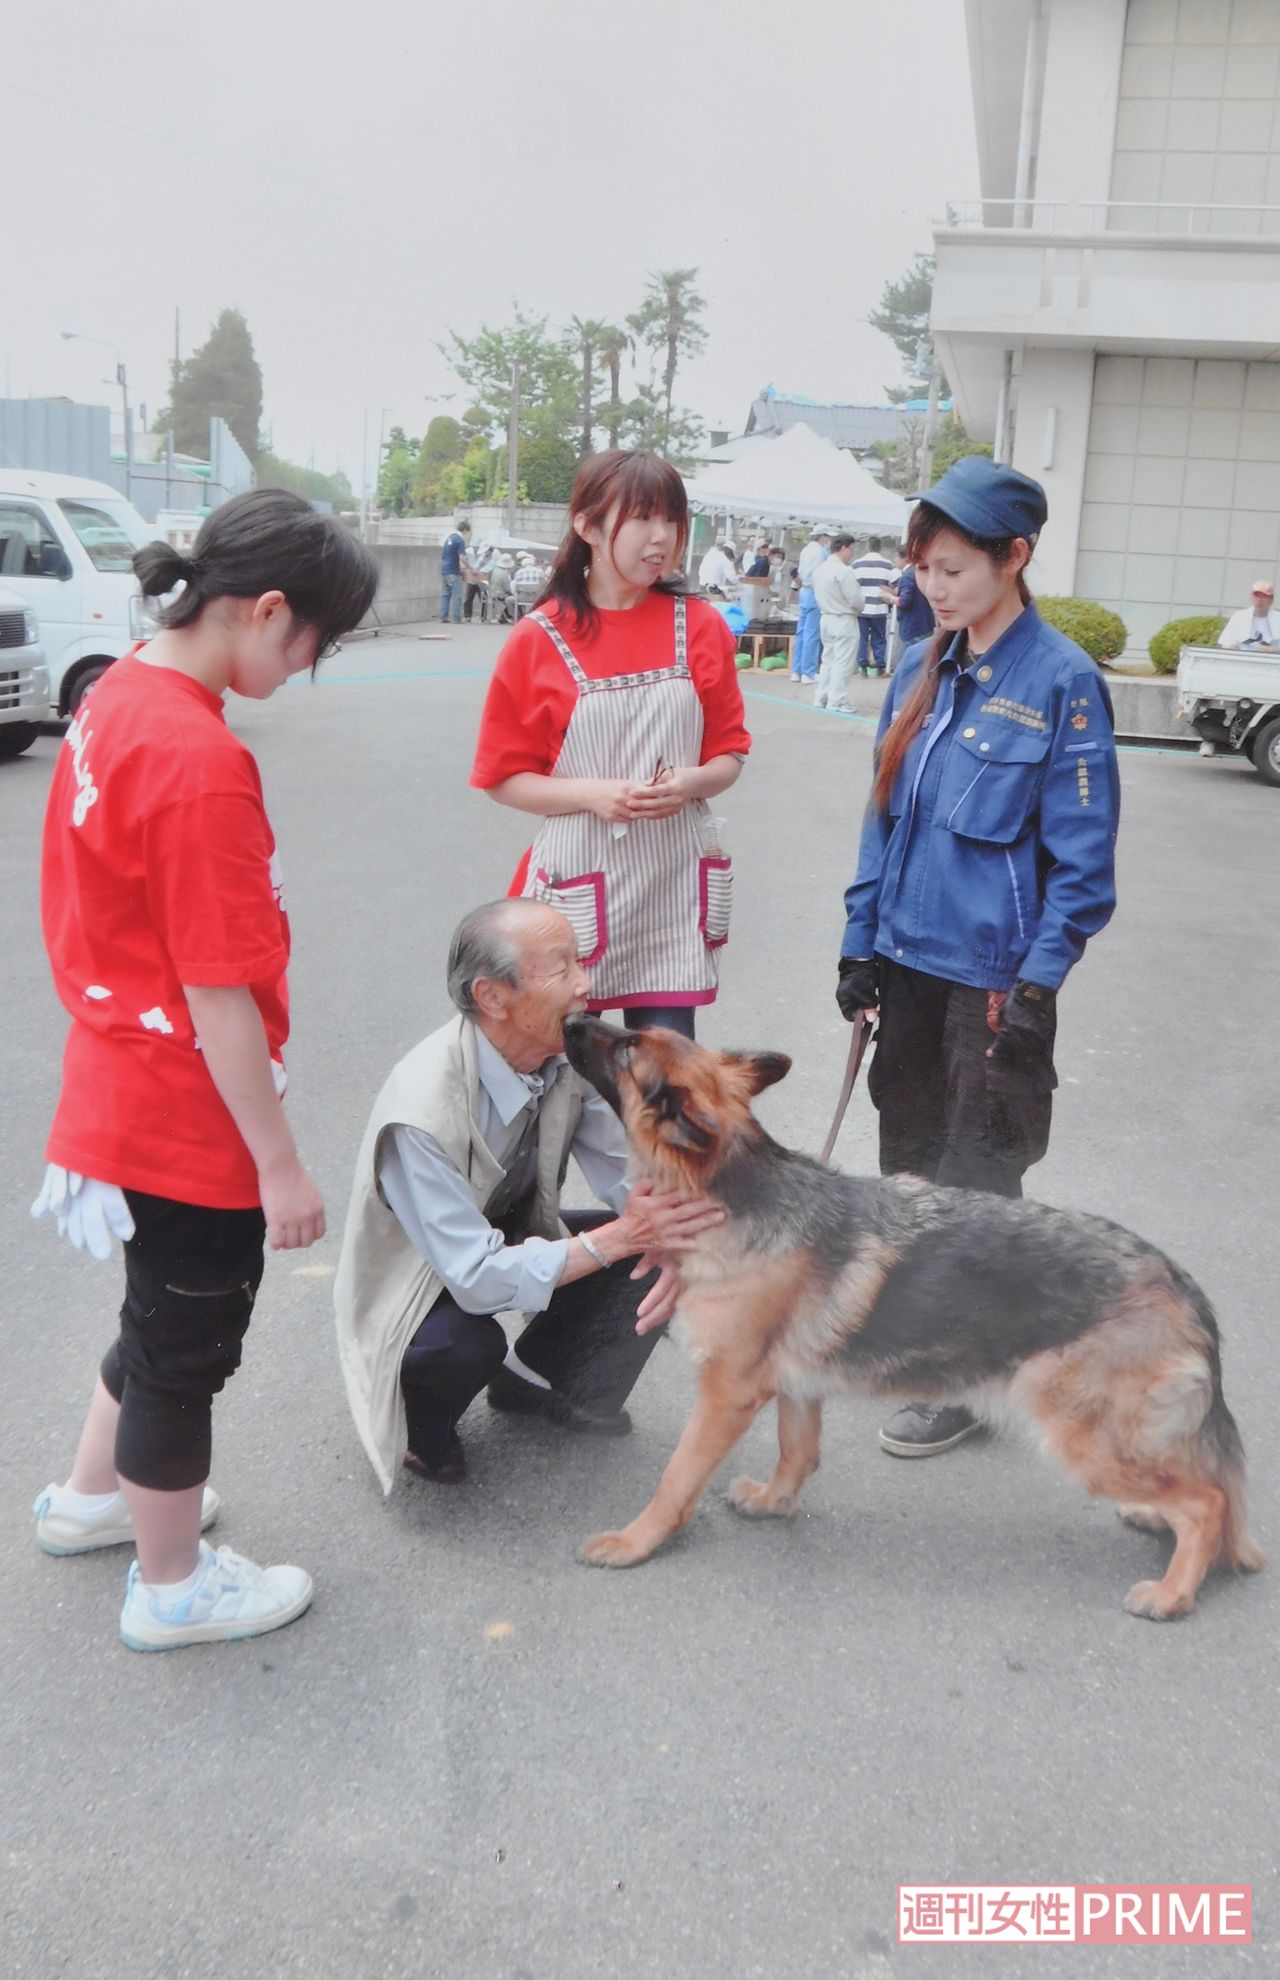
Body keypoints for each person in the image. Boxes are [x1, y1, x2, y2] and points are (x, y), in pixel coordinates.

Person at [30, 489, 378, 1650]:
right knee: (183, 1353)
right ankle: (172, 1585)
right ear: (267, 610)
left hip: (115, 1075)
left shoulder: (120, 692)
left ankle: (92, 1499)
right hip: (183, 1105)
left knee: (153, 1320)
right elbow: (218, 992)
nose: (309, 666)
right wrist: (278, 1167)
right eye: (316, 642)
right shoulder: (197, 756)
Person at [835, 456, 1120, 1458]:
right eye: (923, 568)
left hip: (993, 983)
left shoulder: (1062, 683)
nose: (934, 587)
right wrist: (859, 947)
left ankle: (965, 1376)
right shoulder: (920, 665)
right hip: (907, 968)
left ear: (1014, 557)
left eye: (953, 568)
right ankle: (931, 1342)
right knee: (909, 1168)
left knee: (976, 1182)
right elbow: (883, 820)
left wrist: (1036, 985)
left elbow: (1082, 867)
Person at [334, 900, 725, 1487]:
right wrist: (624, 1236)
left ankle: (542, 1380)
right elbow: (473, 1275)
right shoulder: (420, 1113)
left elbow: (626, 1174)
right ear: (492, 997)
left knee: (649, 1245)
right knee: (461, 1343)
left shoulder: (562, 1055)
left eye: (580, 962)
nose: (584, 984)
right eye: (561, 969)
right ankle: (422, 1433)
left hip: (505, 1229)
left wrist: (670, 1238)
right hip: (423, 1275)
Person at [471, 448, 751, 1039]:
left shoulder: (701, 626)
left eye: (671, 520)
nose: (662, 538)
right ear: (588, 527)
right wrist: (592, 795)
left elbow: (729, 755)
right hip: (579, 879)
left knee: (665, 1074)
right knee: (566, 1067)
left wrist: (691, 783)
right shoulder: (539, 639)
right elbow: (503, 778)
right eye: (643, 518)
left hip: (672, 886)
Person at [811, 533, 866, 713]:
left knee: (828, 659)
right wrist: (860, 607)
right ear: (843, 548)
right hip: (843, 618)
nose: (852, 553)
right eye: (851, 549)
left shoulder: (820, 569)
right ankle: (837, 699)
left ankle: (821, 696)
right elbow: (855, 599)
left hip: (826, 617)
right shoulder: (843, 571)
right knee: (843, 661)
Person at [850, 536, 896, 677]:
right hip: (879, 608)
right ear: (880, 547)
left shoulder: (857, 564)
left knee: (862, 638)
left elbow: (851, 585)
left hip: (861, 608)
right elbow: (897, 583)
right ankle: (880, 666)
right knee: (879, 637)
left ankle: (863, 667)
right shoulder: (888, 565)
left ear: (867, 547)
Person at [793, 526, 832, 683]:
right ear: (822, 537)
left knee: (801, 633)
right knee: (812, 634)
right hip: (814, 592)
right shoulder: (821, 552)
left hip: (804, 591)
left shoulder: (806, 550)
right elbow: (821, 575)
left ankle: (796, 670)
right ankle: (808, 672)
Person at [890, 545, 934, 666]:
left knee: (908, 665)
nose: (895, 560)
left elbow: (905, 601)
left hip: (912, 626)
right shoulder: (921, 572)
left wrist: (890, 598)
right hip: (925, 624)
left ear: (905, 558)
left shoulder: (908, 575)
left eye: (897, 557)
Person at [1218, 579, 1280, 650]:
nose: (1260, 600)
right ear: (1251, 597)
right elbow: (1226, 644)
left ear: (1271, 600)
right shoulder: (1238, 617)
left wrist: (1273, 651)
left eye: (1265, 596)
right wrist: (1232, 647)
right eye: (1257, 595)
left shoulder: (1278, 619)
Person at [440, 519, 471, 624]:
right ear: (465, 530)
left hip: (444, 568)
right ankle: (456, 618)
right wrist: (469, 568)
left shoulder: (450, 537)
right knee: (457, 595)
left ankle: (443, 616)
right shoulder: (460, 540)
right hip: (453, 570)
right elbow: (461, 558)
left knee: (446, 594)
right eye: (467, 532)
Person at [463, 540, 496, 623]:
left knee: (484, 598)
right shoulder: (471, 552)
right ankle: (467, 616)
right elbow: (474, 565)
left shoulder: (492, 556)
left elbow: (488, 567)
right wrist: (473, 570)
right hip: (472, 578)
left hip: (482, 579)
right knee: (469, 598)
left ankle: (483, 617)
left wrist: (478, 571)